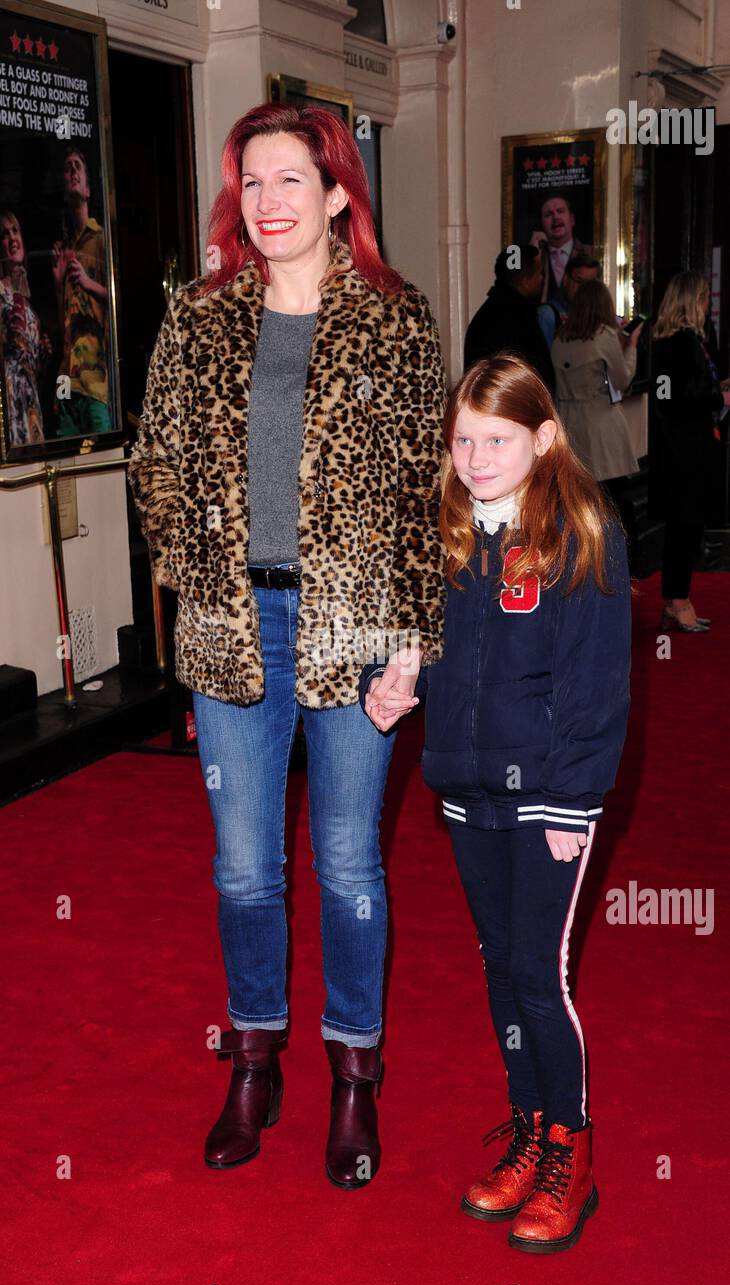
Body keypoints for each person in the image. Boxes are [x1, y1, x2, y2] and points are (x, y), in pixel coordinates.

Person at [126, 102, 447, 1190]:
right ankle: (254, 1059)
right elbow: (153, 462)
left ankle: (355, 1073)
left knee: (350, 863)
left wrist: (410, 646)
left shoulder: (398, 326)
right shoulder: (197, 319)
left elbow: (423, 498)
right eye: (250, 183)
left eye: (289, 182)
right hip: (231, 629)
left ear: (339, 194)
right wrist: (190, 559)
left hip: (354, 629)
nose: (266, 203)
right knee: (243, 866)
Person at [359, 353, 632, 1253]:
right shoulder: (444, 525)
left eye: (498, 440)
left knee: (539, 979)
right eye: (464, 439)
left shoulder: (580, 526)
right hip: (466, 785)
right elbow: (408, 636)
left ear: (544, 438)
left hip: (550, 798)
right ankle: (527, 1126)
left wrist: (570, 802)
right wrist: (387, 682)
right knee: (499, 968)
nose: (476, 457)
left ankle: (571, 1149)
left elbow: (596, 686)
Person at [650, 271, 730, 632]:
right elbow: (668, 399)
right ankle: (678, 602)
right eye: (702, 298)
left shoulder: (688, 341)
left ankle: (677, 599)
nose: (707, 304)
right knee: (684, 528)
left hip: (689, 449)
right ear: (690, 302)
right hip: (684, 453)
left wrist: (716, 388)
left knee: (686, 528)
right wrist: (718, 397)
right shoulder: (677, 342)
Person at [551, 279, 643, 523]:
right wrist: (631, 346)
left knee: (580, 504)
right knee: (615, 503)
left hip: (571, 425)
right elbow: (622, 379)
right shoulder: (605, 336)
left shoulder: (560, 338)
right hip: (601, 424)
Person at [51, 145, 111, 438]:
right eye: (67, 167)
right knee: (66, 459)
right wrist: (57, 280)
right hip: (67, 379)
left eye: (78, 166)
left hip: (95, 379)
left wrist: (87, 282)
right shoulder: (64, 248)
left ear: (88, 188)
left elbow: (115, 302)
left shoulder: (101, 239)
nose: (72, 171)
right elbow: (62, 325)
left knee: (103, 454)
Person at [464, 244, 555, 396]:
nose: (542, 279)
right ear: (525, 281)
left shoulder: (488, 312)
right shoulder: (519, 318)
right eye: (539, 274)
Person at [0, 210, 52, 444]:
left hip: (31, 406)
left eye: (15, 231)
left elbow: (32, 367)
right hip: (10, 407)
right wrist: (19, 292)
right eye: (4, 234)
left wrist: (43, 353)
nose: (12, 238)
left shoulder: (26, 301)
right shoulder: (3, 293)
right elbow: (13, 343)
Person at [530, 194, 593, 308]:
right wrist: (532, 256)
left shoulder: (590, 252)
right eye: (548, 214)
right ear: (542, 225)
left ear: (572, 220)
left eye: (560, 211)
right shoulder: (536, 256)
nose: (555, 217)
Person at [537, 248, 601, 351]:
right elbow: (544, 360)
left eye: (589, 284)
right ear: (566, 279)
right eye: (579, 281)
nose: (584, 289)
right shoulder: (548, 314)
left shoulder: (599, 315)